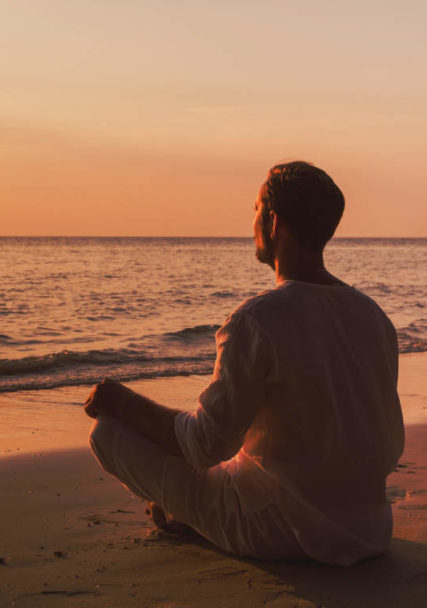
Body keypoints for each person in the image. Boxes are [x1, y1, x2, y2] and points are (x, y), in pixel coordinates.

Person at [83, 161, 404, 565]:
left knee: (107, 433)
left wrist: (124, 402)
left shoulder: (257, 319)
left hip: (280, 531)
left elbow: (205, 446)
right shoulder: (374, 317)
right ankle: (188, 512)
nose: (251, 219)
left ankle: (191, 516)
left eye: (254, 209)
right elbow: (386, 445)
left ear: (272, 221)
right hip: (367, 528)